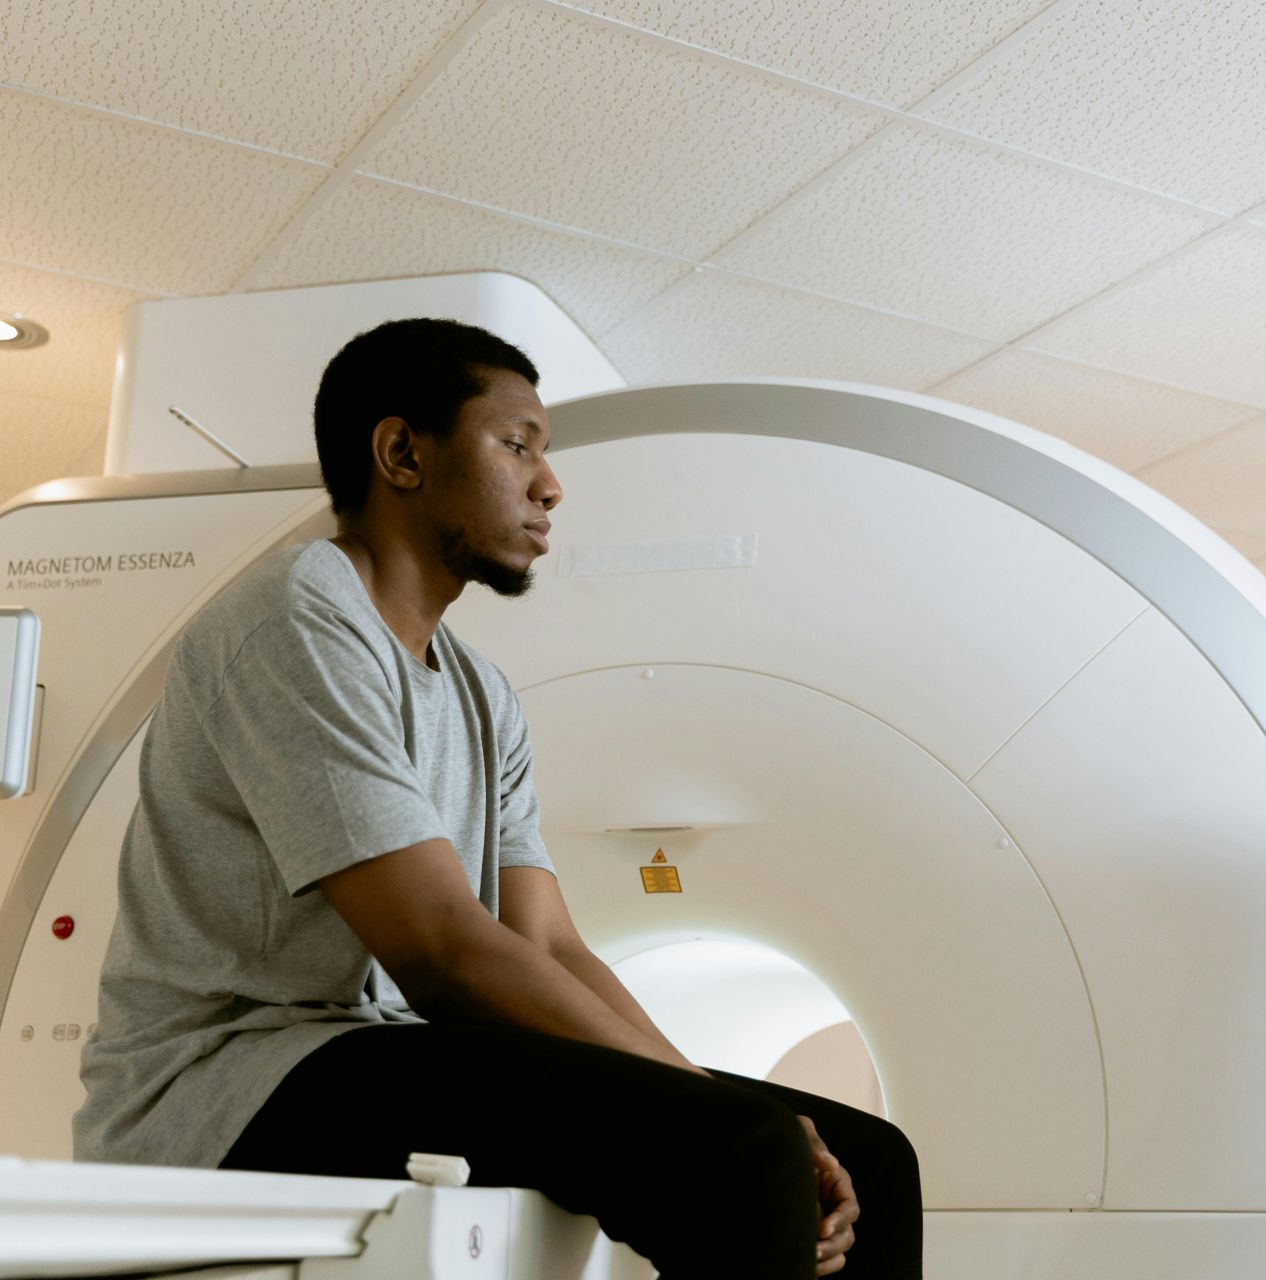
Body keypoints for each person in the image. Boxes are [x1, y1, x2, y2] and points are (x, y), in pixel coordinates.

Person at [73, 317, 922, 1279]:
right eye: (516, 444)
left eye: (543, 453)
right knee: (742, 1152)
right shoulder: (295, 615)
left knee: (872, 1162)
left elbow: (546, 943)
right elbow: (444, 954)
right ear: (401, 453)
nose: (549, 484)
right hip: (229, 1080)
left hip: (377, 1059)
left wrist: (732, 1097)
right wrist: (737, 1116)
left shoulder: (483, 696)